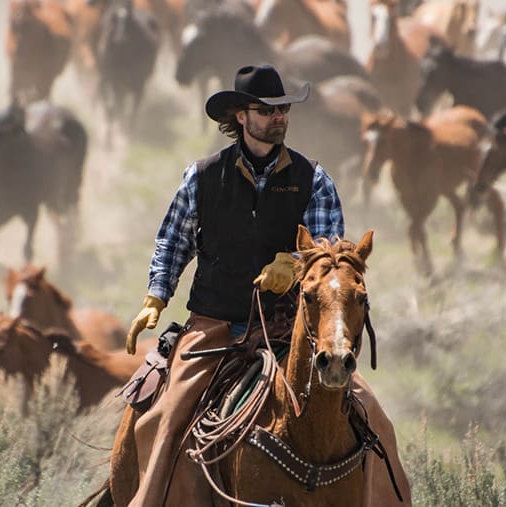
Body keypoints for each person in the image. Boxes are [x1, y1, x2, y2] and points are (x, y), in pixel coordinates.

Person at [120, 64, 412, 506]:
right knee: (165, 420)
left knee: (373, 418)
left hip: (292, 328)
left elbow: (330, 255)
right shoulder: (201, 178)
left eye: (283, 109)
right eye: (266, 110)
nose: (278, 117)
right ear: (241, 117)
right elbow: (173, 239)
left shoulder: (313, 179)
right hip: (212, 325)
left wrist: (295, 265)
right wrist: (156, 296)